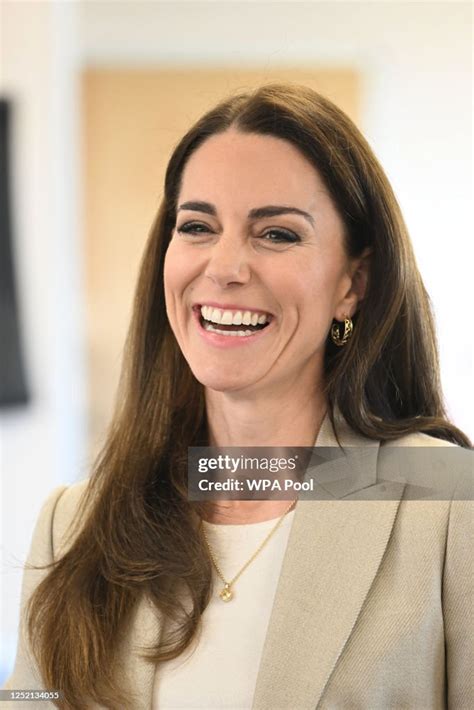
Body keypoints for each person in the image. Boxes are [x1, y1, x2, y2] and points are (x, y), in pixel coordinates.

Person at [3, 84, 472, 710]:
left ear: (352, 284)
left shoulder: (448, 502)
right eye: (197, 226)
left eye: (276, 234)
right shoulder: (72, 523)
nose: (224, 266)